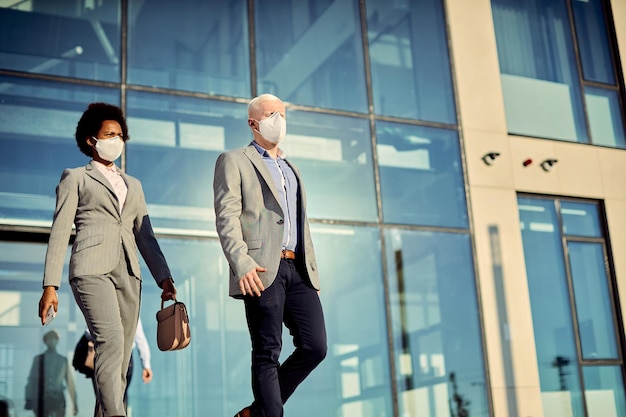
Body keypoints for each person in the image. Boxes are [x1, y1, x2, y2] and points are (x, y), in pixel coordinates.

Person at [37, 102, 177, 417]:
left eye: (120, 135)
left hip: (129, 271)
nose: (116, 139)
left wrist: (164, 278)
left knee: (121, 356)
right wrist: (50, 285)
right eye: (109, 133)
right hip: (90, 268)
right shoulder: (75, 177)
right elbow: (60, 232)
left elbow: (146, 235)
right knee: (110, 340)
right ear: (91, 140)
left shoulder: (135, 185)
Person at [213, 94, 327, 417]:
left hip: (299, 270)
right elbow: (226, 217)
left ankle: (258, 412)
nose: (278, 119)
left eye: (282, 114)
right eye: (271, 114)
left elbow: (301, 224)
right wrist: (240, 262)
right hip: (261, 267)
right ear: (253, 123)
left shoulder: (293, 169)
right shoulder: (234, 160)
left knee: (315, 346)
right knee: (267, 352)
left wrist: (312, 272)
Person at [83, 317, 153, 411]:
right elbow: (140, 338)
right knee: (115, 397)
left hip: (112, 356)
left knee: (106, 398)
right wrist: (146, 365)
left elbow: (88, 332)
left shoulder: (105, 308)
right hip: (121, 356)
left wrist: (146, 365)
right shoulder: (128, 306)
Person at [25, 330, 77, 417]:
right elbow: (32, 380)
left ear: (57, 341)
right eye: (50, 339)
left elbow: (70, 383)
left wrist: (75, 403)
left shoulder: (62, 360)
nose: (52, 341)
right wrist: (29, 399)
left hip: (58, 400)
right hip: (42, 400)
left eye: (54, 339)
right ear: (46, 341)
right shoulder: (38, 360)